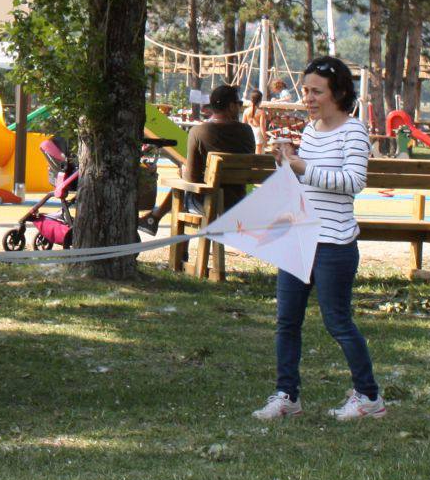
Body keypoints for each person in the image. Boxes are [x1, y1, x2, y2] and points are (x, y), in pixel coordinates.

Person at [254, 55, 385, 423]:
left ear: (338, 93)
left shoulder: (354, 130)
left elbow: (353, 183)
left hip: (334, 244)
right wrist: (286, 164)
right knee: (287, 320)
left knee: (337, 322)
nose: (308, 98)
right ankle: (287, 396)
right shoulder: (311, 131)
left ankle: (369, 398)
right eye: (305, 90)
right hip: (300, 237)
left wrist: (302, 167)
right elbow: (305, 182)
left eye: (316, 91)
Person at [145, 83, 256, 237]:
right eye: (239, 104)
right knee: (188, 186)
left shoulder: (198, 132)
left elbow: (191, 179)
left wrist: (184, 171)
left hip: (210, 206)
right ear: (231, 106)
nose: (240, 108)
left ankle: (159, 223)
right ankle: (154, 218)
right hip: (238, 203)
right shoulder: (247, 131)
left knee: (183, 187)